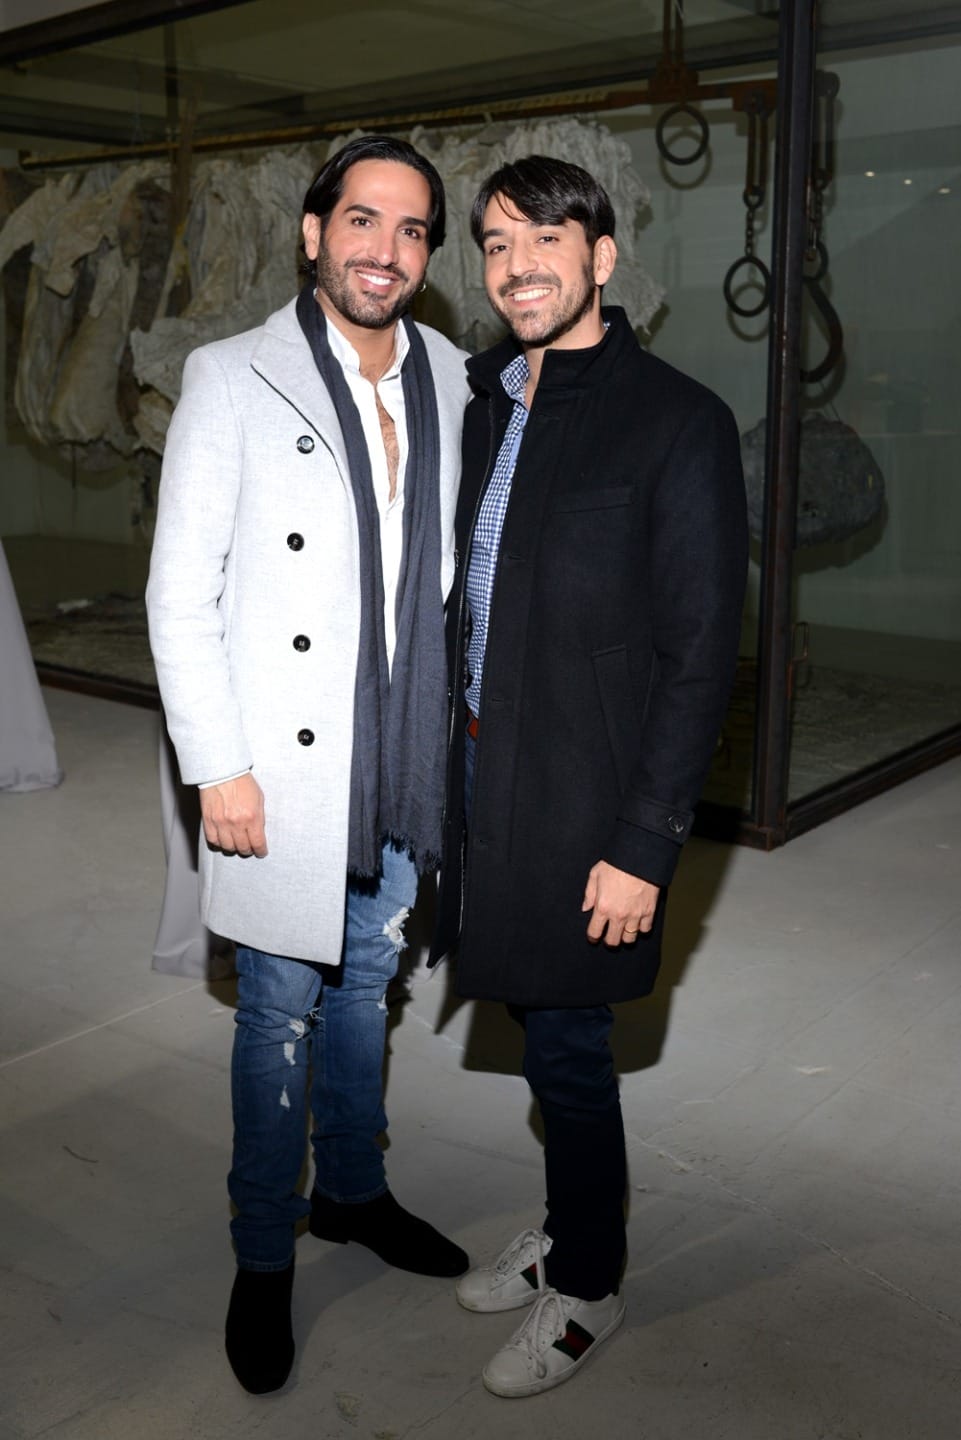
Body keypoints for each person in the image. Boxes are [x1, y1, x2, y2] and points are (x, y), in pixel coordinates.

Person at [146, 135, 472, 1396]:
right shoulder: (231, 377)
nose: (384, 249)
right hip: (280, 764)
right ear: (311, 231)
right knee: (276, 1011)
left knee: (369, 979)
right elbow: (180, 596)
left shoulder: (450, 368)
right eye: (362, 220)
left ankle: (352, 1190)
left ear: (426, 254)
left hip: (404, 757)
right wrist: (217, 766)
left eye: (410, 229)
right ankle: (261, 1256)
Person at [431, 155, 748, 1398]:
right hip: (483, 773)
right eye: (497, 246)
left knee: (566, 1043)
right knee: (532, 1019)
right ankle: (567, 1226)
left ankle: (591, 1284)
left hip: (588, 792)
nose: (516, 268)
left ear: (601, 258)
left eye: (544, 242)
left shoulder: (677, 422)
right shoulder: (488, 397)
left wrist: (647, 841)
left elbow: (697, 654)